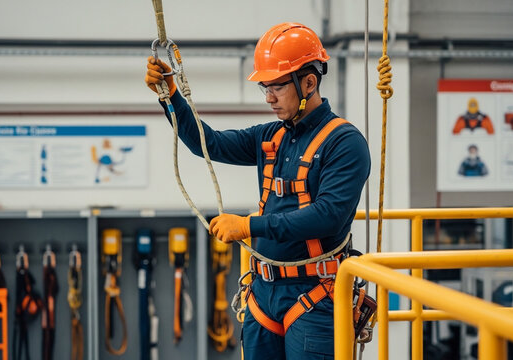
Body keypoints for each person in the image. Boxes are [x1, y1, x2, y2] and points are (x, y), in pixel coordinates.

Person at [145, 22, 370, 359]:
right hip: (263, 294)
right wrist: (171, 97)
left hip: (315, 296)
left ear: (309, 82)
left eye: (278, 87)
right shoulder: (271, 137)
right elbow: (210, 145)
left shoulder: (345, 143)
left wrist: (249, 226)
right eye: (265, 87)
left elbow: (329, 216)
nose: (268, 98)